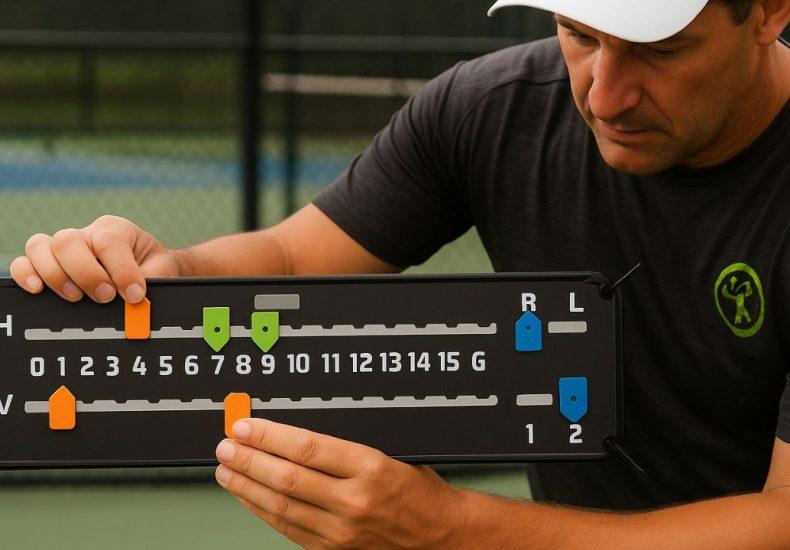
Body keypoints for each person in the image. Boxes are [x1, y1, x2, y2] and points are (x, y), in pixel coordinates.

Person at [9, 0, 790, 547]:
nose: (606, 92)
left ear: (769, 10)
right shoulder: (491, 110)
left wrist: (450, 532)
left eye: (659, 50)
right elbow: (291, 259)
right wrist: (172, 272)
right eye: (578, 34)